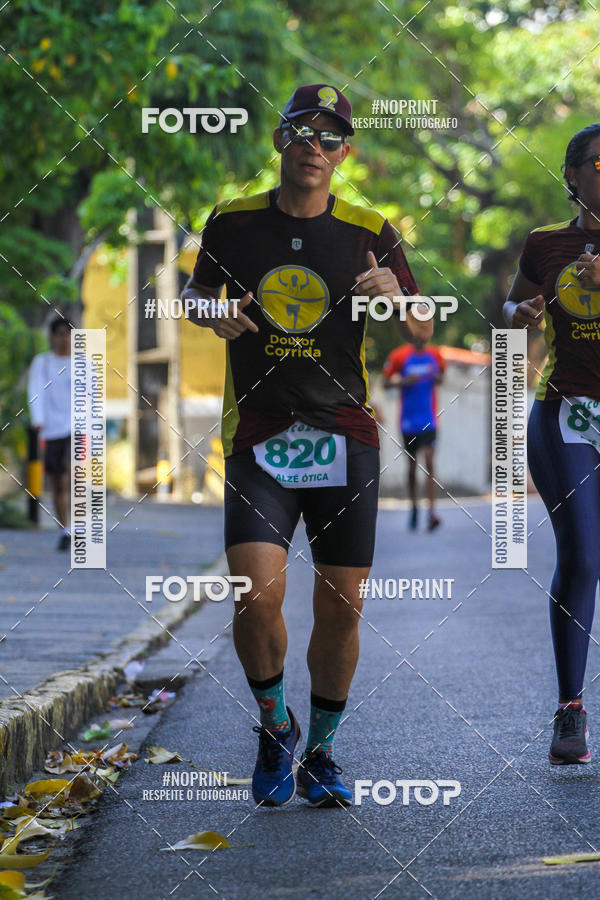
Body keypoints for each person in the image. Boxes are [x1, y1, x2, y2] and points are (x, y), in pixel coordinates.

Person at [182, 83, 433, 807]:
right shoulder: (232, 222)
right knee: (255, 595)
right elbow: (194, 295)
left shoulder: (370, 229)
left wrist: (399, 297)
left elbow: (422, 325)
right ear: (280, 140)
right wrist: (210, 313)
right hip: (259, 434)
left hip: (344, 436)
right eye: (302, 132)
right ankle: (274, 727)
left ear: (344, 153)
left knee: (342, 608)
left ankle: (321, 752)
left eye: (329, 138)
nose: (314, 147)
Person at [504, 123, 600, 765]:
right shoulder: (545, 244)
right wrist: (519, 317)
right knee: (584, 556)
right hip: (568, 414)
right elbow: (510, 312)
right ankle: (570, 707)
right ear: (573, 174)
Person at [382, 339, 445, 530]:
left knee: (429, 461)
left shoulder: (435, 355)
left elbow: (441, 378)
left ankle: (432, 512)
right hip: (408, 422)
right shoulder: (399, 355)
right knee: (411, 467)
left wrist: (437, 378)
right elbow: (385, 383)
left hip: (429, 419)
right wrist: (403, 381)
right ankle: (414, 507)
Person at [27, 317, 73, 551]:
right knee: (58, 482)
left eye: (67, 333)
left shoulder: (83, 364)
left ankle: (78, 526)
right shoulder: (43, 363)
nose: (64, 339)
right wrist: (38, 419)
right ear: (52, 336)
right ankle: (65, 529)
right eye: (59, 333)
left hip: (76, 428)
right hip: (52, 429)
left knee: (73, 477)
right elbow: (35, 390)